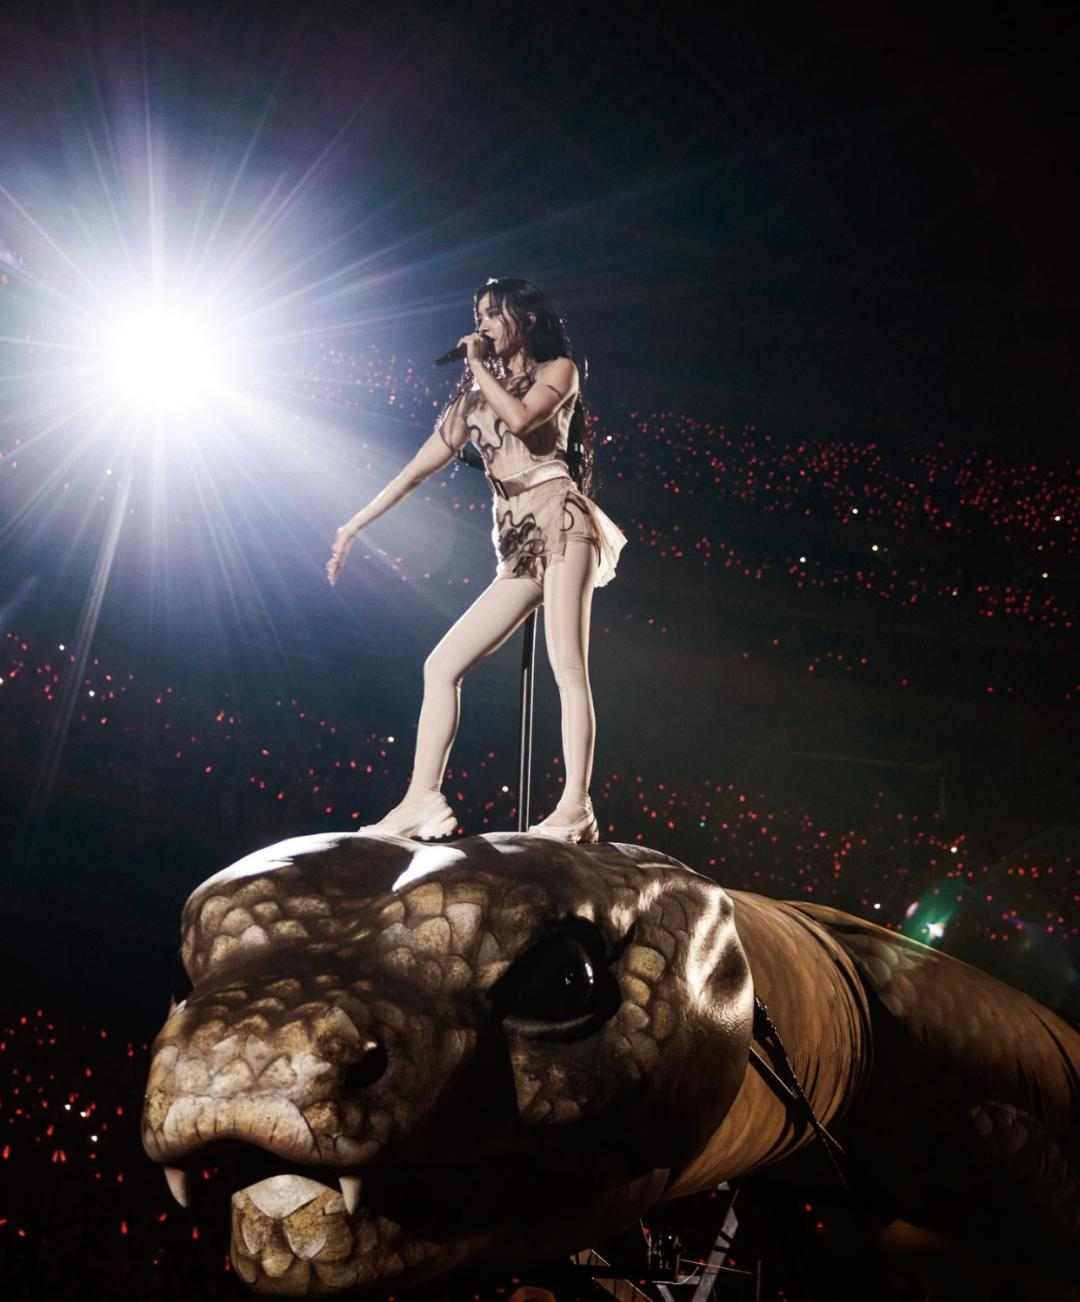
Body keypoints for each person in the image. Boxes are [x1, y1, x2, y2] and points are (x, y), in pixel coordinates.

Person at [326, 277, 626, 842]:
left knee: (567, 665)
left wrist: (476, 367)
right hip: (519, 544)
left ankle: (576, 806)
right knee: (441, 666)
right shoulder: (472, 401)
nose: (481, 325)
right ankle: (422, 798)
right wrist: (354, 525)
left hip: (563, 522)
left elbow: (523, 419)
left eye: (491, 314)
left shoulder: (559, 370)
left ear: (524, 320)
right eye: (478, 316)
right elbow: (414, 471)